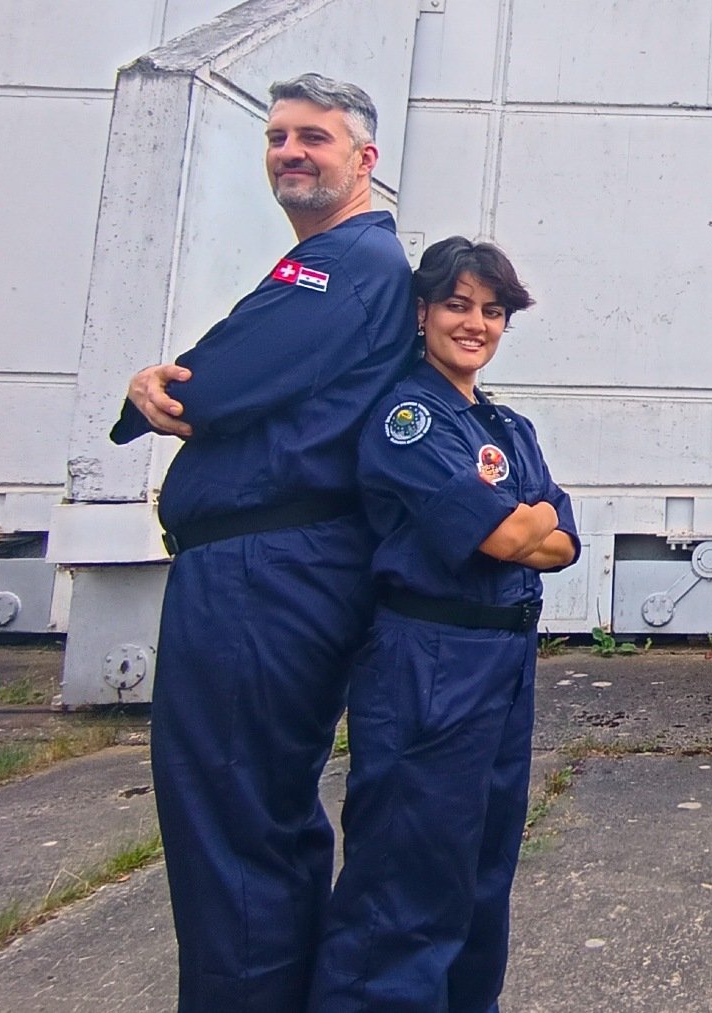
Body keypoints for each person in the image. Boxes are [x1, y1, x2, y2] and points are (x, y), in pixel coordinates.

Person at [109, 73, 414, 1011]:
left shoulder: (345, 263)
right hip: (269, 570)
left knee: (232, 811)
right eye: (278, 136)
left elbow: (210, 383)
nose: (291, 151)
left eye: (314, 138)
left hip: (265, 573)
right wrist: (159, 385)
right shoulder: (332, 262)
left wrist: (157, 389)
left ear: (364, 160)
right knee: (256, 813)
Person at [307, 238, 578, 1011]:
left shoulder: (504, 425)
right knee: (408, 874)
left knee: (483, 872)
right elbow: (505, 536)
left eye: (492, 311)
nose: (476, 323)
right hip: (430, 660)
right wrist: (528, 521)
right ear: (423, 311)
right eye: (458, 304)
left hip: (504, 659)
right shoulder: (407, 418)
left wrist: (528, 522)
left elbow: (564, 540)